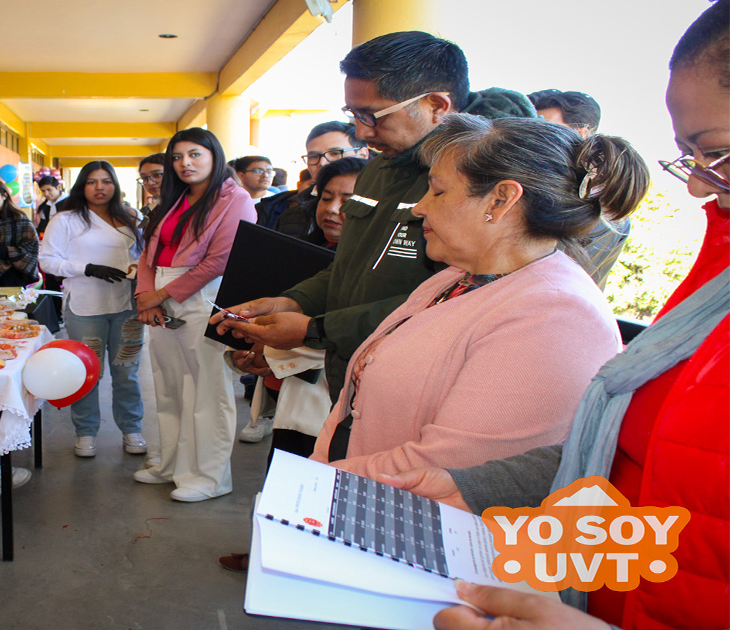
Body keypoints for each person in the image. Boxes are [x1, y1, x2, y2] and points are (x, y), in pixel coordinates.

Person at [386, 4, 728, 628]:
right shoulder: (457, 280)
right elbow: (637, 459)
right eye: (690, 157)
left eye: (718, 154)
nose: (700, 188)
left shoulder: (553, 311)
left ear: (501, 200)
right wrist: (480, 485)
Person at [213, 31, 535, 464]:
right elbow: (349, 266)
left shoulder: (479, 183)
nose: (363, 132)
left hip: (412, 389)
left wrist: (315, 329)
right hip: (349, 376)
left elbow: (449, 298)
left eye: (373, 115)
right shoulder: (378, 170)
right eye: (353, 114)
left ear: (437, 105)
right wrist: (293, 301)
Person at [305, 113, 646, 477]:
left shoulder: (557, 318)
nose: (419, 207)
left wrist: (317, 481)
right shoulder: (458, 277)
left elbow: (449, 468)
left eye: (437, 191)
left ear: (500, 200)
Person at [132, 128, 257, 502]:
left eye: (195, 154)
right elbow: (148, 254)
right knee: (167, 386)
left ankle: (209, 477)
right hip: (161, 293)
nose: (185, 163)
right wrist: (145, 298)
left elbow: (220, 260)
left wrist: (161, 295)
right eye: (177, 156)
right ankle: (170, 464)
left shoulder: (235, 199)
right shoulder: (174, 199)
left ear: (214, 156)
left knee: (207, 389)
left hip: (204, 295)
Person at [237, 157, 369, 448]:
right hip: (285, 392)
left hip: (333, 405)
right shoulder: (297, 252)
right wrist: (249, 349)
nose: (332, 209)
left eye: (347, 201)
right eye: (326, 197)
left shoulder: (375, 268)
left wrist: (270, 350)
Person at [40, 160, 146, 458]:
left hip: (127, 306)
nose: (100, 188)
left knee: (127, 372)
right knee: (87, 372)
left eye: (106, 181)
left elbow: (145, 256)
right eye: (92, 182)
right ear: (82, 186)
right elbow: (47, 261)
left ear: (116, 185)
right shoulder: (66, 219)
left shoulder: (131, 217)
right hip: (85, 307)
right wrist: (87, 268)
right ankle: (85, 432)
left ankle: (132, 428)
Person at [527, 89, 632, 289]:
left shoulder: (602, 212)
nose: (535, 139)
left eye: (547, 128)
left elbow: (557, 286)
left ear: (581, 134)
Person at [262, 121, 368, 234]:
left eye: (335, 153)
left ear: (363, 155)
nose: (322, 163)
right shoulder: (286, 210)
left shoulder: (379, 211)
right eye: (313, 156)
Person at [138, 153, 167, 222]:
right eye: (144, 178)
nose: (150, 182)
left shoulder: (189, 207)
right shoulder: (148, 212)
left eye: (157, 175)